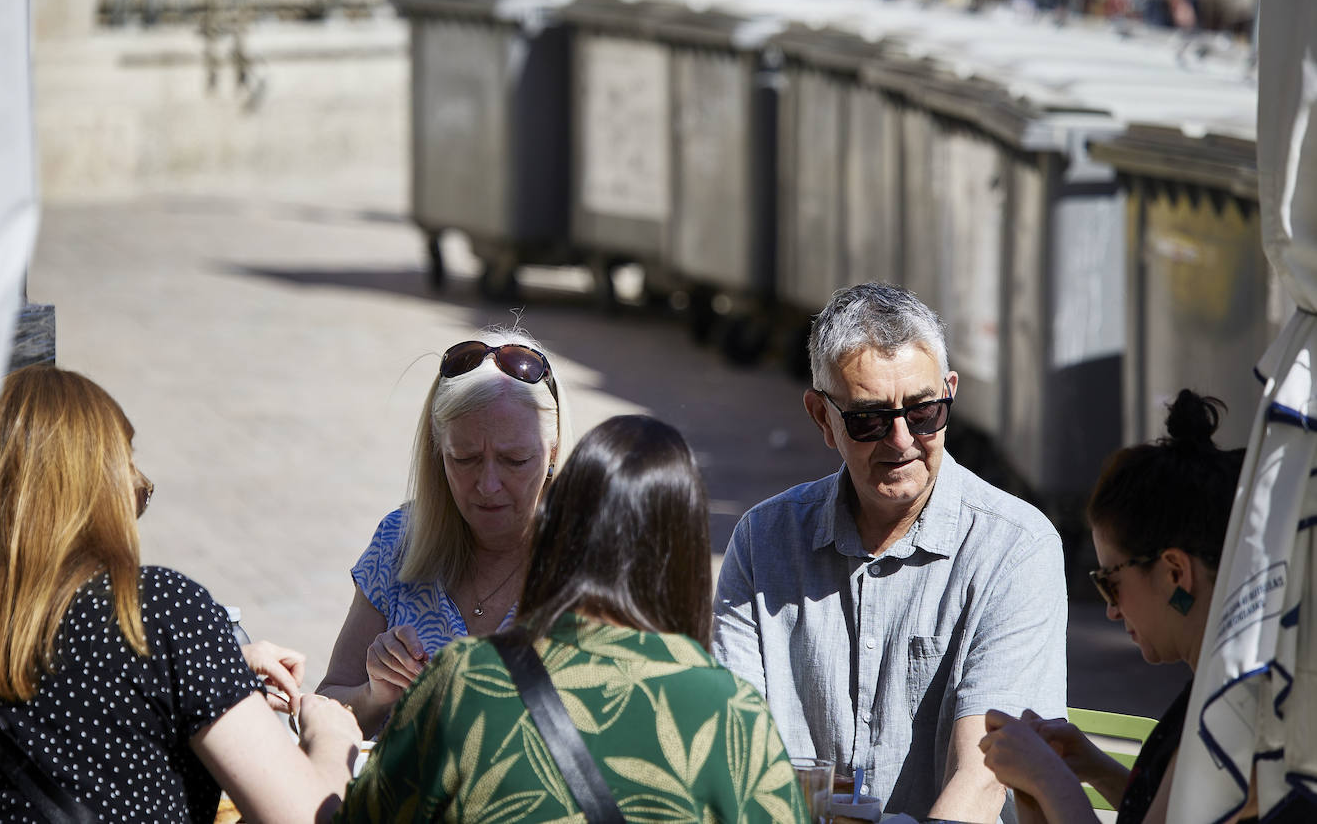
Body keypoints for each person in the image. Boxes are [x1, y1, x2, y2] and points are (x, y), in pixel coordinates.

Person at [338, 414, 809, 822]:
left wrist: (322, 738)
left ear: (555, 527)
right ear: (686, 556)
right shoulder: (735, 714)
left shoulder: (463, 680)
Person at [713, 281, 1066, 823]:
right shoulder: (764, 541)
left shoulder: (1015, 548)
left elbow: (983, 777)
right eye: (869, 419)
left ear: (950, 392)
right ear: (821, 418)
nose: (901, 440)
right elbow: (736, 753)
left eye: (924, 413)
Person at [0, 365, 362, 822]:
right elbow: (307, 818)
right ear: (100, 496)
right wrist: (332, 738)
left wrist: (208, 672)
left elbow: (47, 680)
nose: (138, 497)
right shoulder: (159, 612)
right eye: (130, 481)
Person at [979, 390, 1259, 824]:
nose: (1110, 610)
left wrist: (1051, 779)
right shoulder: (1226, 683)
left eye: (1110, 582)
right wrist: (1092, 766)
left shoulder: (1233, 708)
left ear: (1174, 573)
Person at [316, 329, 570, 736]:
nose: (488, 485)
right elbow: (323, 707)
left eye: (515, 460)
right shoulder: (399, 540)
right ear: (437, 453)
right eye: (465, 459)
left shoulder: (590, 563)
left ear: (554, 451)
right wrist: (375, 694)